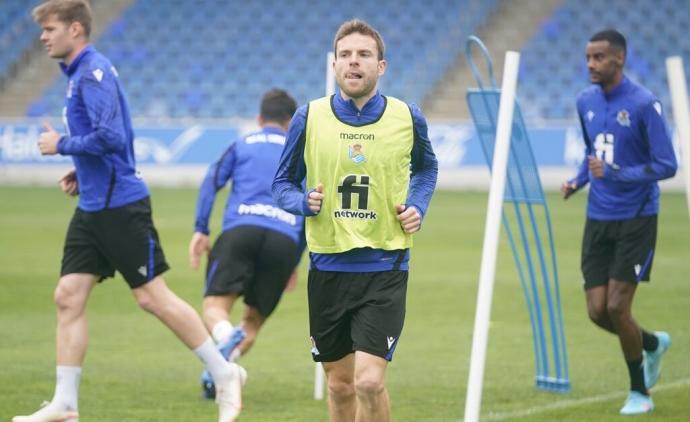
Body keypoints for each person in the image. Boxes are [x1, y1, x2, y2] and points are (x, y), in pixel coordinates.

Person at [15, 1, 242, 421]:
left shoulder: (93, 73)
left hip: (120, 207)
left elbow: (112, 137)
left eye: (50, 29)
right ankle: (66, 404)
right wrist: (82, 171)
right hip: (93, 205)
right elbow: (103, 143)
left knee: (152, 298)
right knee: (68, 296)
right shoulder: (78, 74)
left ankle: (224, 371)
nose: (43, 37)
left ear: (76, 29)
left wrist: (61, 145)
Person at [273, 19, 438, 421]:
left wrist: (417, 205)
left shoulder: (406, 117)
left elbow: (426, 169)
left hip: (385, 264)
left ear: (381, 66)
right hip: (328, 266)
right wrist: (302, 202)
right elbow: (281, 184)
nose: (353, 62)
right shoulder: (308, 117)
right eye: (345, 55)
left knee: (368, 381)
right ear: (334, 65)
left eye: (364, 54)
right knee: (340, 385)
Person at [561, 29, 677, 416]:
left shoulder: (644, 104)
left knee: (616, 307)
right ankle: (652, 344)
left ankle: (640, 392)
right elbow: (592, 153)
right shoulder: (585, 101)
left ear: (619, 59)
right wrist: (579, 179)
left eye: (599, 58)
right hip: (598, 217)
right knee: (596, 311)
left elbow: (667, 165)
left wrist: (614, 173)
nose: (591, 64)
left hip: (637, 218)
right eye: (588, 58)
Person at [189, 88, 305, 399]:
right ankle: (222, 370)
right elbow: (309, 209)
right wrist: (295, 259)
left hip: (241, 230)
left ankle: (225, 338)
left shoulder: (241, 144)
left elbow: (211, 182)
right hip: (283, 238)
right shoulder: (301, 154)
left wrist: (201, 228)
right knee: (252, 323)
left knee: (215, 308)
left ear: (259, 118)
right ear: (292, 121)